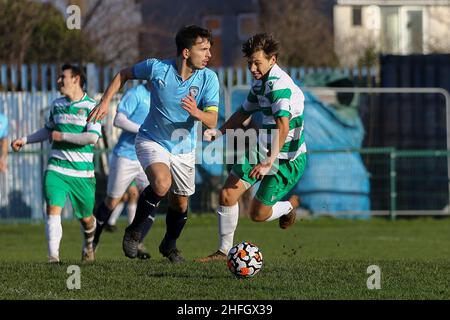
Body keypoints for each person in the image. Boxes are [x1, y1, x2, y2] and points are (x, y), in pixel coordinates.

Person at [87, 25, 220, 263]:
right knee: (161, 183)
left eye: (209, 48)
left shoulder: (209, 78)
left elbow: (212, 120)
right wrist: (106, 102)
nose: (209, 54)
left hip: (184, 149)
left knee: (180, 204)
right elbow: (123, 74)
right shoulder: (157, 68)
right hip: (151, 140)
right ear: (186, 52)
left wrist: (197, 112)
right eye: (204, 49)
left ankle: (169, 244)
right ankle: (134, 232)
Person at [197, 33, 306, 262]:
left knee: (258, 214)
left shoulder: (279, 86)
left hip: (287, 157)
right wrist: (219, 131)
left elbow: (283, 127)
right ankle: (223, 252)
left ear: (272, 60)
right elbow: (243, 113)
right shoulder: (260, 83)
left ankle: (288, 206)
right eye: (250, 63)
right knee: (227, 194)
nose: (253, 68)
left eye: (257, 62)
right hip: (264, 148)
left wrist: (268, 162)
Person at [11, 64, 101, 263]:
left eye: (63, 77)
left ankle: (88, 245)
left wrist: (63, 135)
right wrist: (24, 140)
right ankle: (53, 257)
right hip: (56, 168)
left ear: (76, 79)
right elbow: (47, 131)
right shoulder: (56, 105)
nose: (59, 80)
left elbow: (92, 138)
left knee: (86, 219)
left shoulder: (92, 106)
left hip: (82, 174)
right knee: (53, 208)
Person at [93, 82, 152, 260]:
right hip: (126, 156)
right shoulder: (136, 93)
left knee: (153, 195)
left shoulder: (163, 94)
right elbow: (118, 119)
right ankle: (91, 244)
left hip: (149, 156)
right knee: (111, 202)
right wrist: (143, 130)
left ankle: (137, 242)